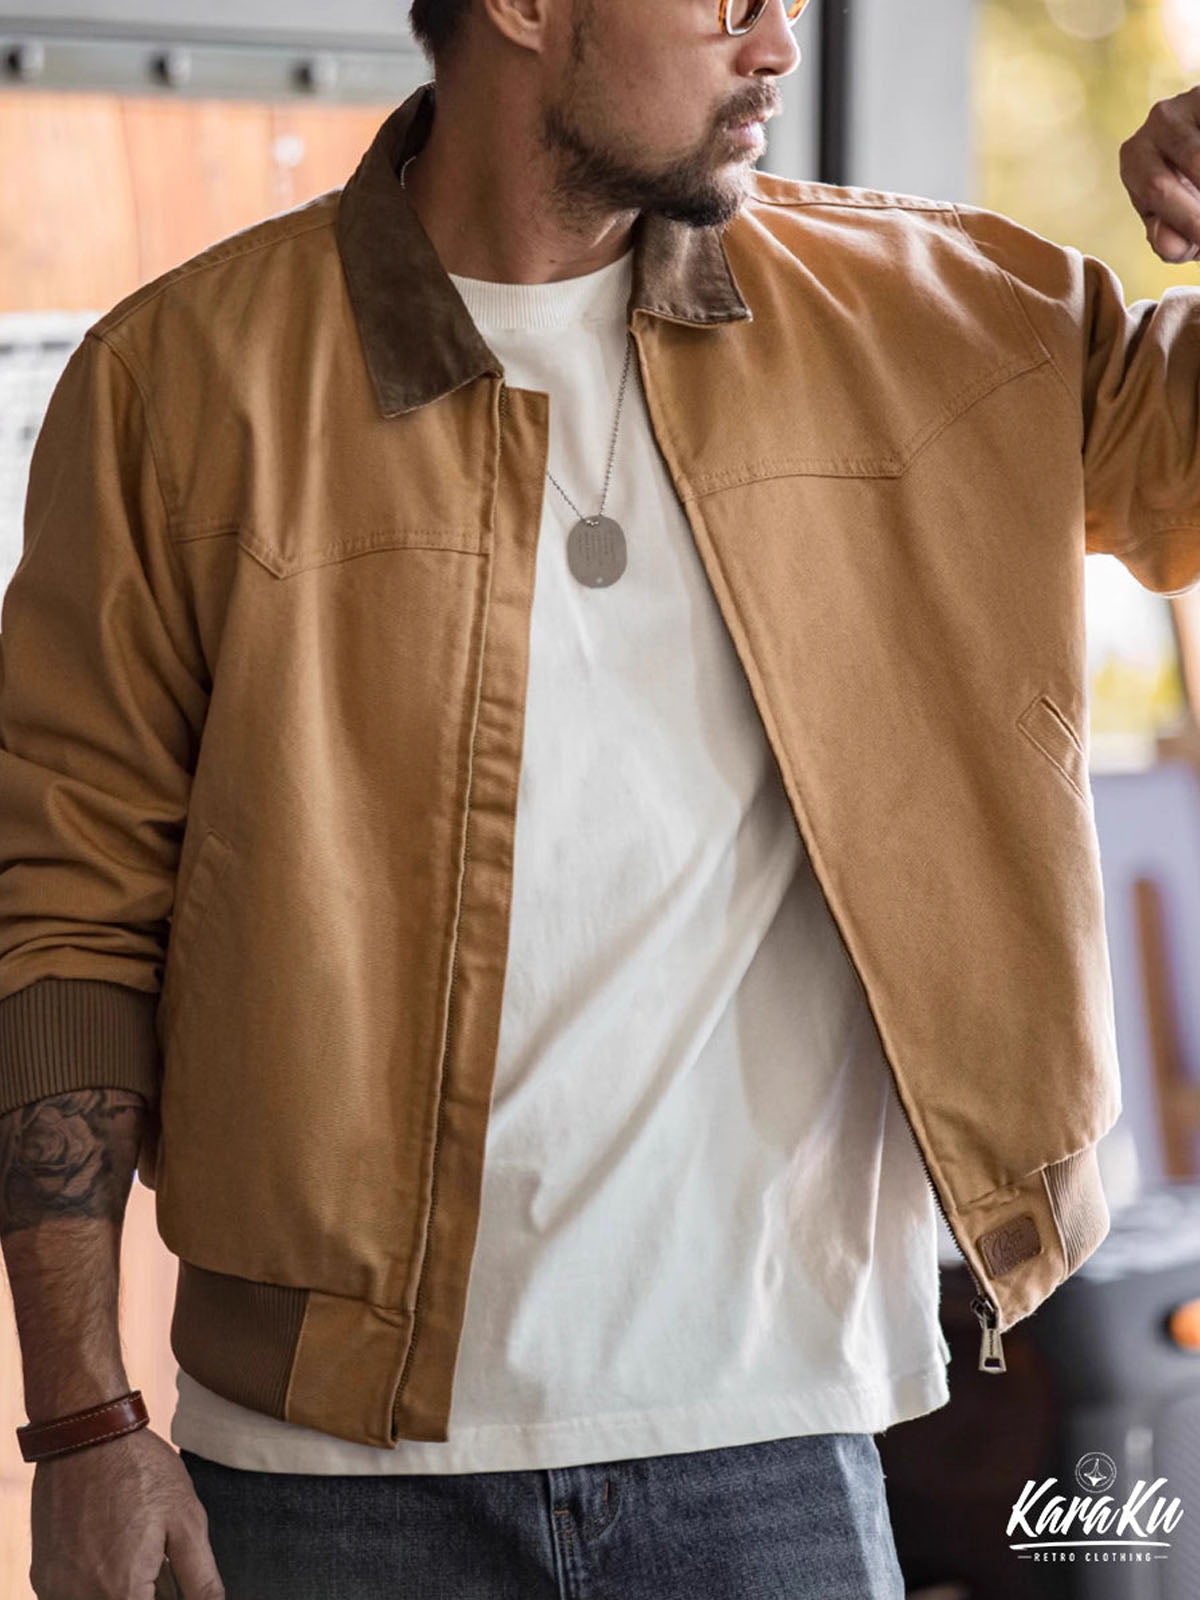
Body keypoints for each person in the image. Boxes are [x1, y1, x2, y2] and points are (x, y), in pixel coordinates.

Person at [3, 0, 1200, 1595]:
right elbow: (62, 927)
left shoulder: (942, 318)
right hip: (321, 1479)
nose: (776, 45)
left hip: (775, 1446)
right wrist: (84, 1424)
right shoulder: (182, 385)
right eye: (726, 0)